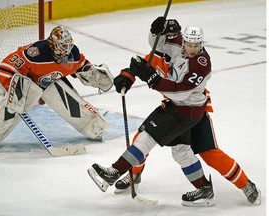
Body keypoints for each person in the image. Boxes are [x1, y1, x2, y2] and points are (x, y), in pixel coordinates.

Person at [113, 17, 261, 206]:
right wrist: (126, 78)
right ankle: (134, 173)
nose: (171, 39)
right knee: (145, 138)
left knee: (209, 152)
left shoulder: (188, 55)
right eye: (166, 35)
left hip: (194, 108)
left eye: (174, 36)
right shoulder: (157, 54)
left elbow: (178, 90)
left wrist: (151, 79)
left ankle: (245, 184)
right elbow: (137, 66)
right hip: (175, 110)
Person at [88, 23, 216, 207]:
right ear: (184, 42)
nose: (193, 49)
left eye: (197, 45)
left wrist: (153, 79)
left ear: (201, 44)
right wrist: (155, 31)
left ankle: (114, 172)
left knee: (146, 137)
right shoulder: (180, 46)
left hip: (183, 111)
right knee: (181, 151)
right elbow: (159, 45)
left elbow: (180, 92)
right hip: (182, 109)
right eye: (190, 45)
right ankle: (204, 189)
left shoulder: (200, 64)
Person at [0, 26, 113, 148]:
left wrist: (90, 70)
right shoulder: (36, 52)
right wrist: (14, 90)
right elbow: (7, 67)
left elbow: (81, 65)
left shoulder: (73, 53)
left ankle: (94, 127)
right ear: (52, 44)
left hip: (49, 82)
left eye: (68, 45)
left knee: (66, 95)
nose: (67, 49)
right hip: (28, 84)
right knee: (18, 102)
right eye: (63, 46)